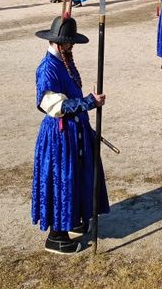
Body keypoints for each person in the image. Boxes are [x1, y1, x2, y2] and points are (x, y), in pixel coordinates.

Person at [31, 16, 109, 254]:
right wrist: (88, 102)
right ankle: (56, 236)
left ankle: (72, 217)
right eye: (69, 44)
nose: (72, 47)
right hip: (59, 137)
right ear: (57, 43)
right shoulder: (48, 68)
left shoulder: (64, 61)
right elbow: (52, 105)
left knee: (76, 177)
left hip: (75, 133)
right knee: (61, 179)